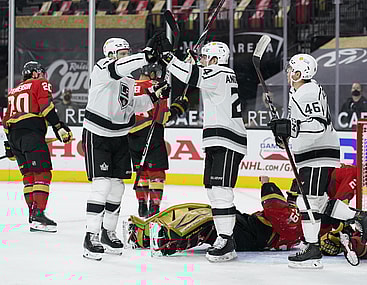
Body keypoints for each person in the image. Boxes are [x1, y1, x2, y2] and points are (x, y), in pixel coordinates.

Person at [269, 54, 367, 269]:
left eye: (291, 70)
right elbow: (300, 127)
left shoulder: (308, 92)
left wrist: (291, 129)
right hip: (311, 153)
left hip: (318, 153)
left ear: (300, 73)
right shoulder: (299, 93)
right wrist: (283, 136)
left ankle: (312, 248)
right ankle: (359, 218)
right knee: (315, 202)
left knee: (307, 203)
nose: (288, 73)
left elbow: (317, 125)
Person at [82, 36, 171, 261]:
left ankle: (107, 232)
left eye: (127, 52)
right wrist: (146, 55)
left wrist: (154, 96)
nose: (126, 57)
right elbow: (120, 66)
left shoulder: (128, 81)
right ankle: (90, 235)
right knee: (101, 185)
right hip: (98, 134)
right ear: (111, 54)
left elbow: (131, 107)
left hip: (120, 136)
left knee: (117, 188)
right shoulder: (102, 68)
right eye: (122, 53)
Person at [160, 41, 247, 262]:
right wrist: (189, 64)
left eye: (206, 58)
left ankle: (226, 240)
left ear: (216, 59)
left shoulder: (219, 72)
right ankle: (224, 238)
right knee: (214, 191)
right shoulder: (219, 73)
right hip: (220, 138)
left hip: (227, 139)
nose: (204, 61)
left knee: (221, 190)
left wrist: (170, 58)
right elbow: (193, 73)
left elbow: (191, 75)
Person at [124, 176, 303, 254]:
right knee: (206, 211)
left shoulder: (298, 223)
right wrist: (292, 196)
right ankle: (148, 229)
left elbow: (274, 207)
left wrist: (267, 185)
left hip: (251, 236)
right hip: (249, 227)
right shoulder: (301, 220)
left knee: (209, 224)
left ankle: (155, 239)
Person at [2, 61, 73, 233]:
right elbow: (46, 107)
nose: (43, 76)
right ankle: (39, 214)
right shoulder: (38, 83)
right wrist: (59, 127)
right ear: (34, 73)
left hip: (14, 137)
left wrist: (8, 145)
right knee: (42, 172)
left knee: (29, 176)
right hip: (31, 135)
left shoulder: (13, 91)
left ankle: (32, 214)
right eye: (41, 73)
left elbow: (6, 120)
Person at [129, 62, 189, 218]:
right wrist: (178, 107)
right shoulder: (154, 87)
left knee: (141, 171)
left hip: (131, 137)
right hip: (151, 134)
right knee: (156, 173)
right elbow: (162, 118)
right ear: (152, 73)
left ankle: (141, 204)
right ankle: (154, 207)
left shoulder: (128, 85)